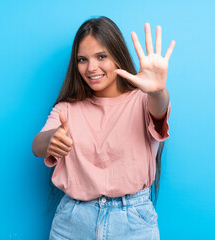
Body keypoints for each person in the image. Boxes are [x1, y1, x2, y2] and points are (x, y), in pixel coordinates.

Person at [32, 16, 175, 240]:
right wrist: (51, 139)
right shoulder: (68, 108)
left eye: (101, 56)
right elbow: (37, 144)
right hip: (73, 221)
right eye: (82, 59)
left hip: (133, 223)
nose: (91, 68)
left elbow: (159, 107)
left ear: (117, 56)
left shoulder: (142, 101)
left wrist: (157, 91)